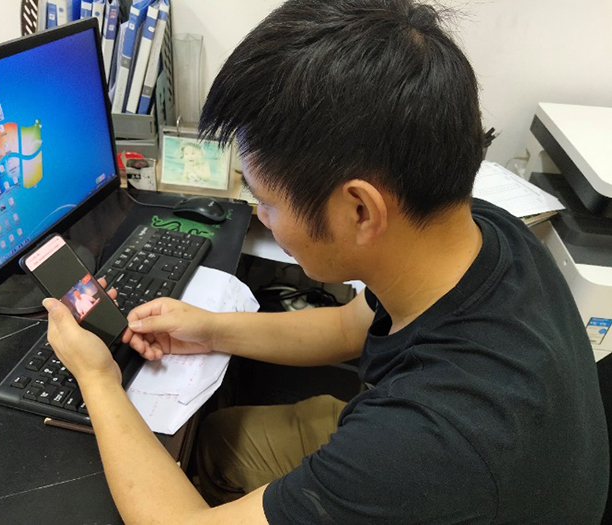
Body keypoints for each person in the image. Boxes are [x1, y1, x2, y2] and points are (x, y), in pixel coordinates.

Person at [43, 0, 609, 522]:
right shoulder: (480, 229)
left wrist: (98, 378)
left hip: (430, 466)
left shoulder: (426, 443)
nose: (261, 218)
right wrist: (209, 328)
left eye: (267, 202)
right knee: (216, 441)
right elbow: (347, 326)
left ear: (360, 210)